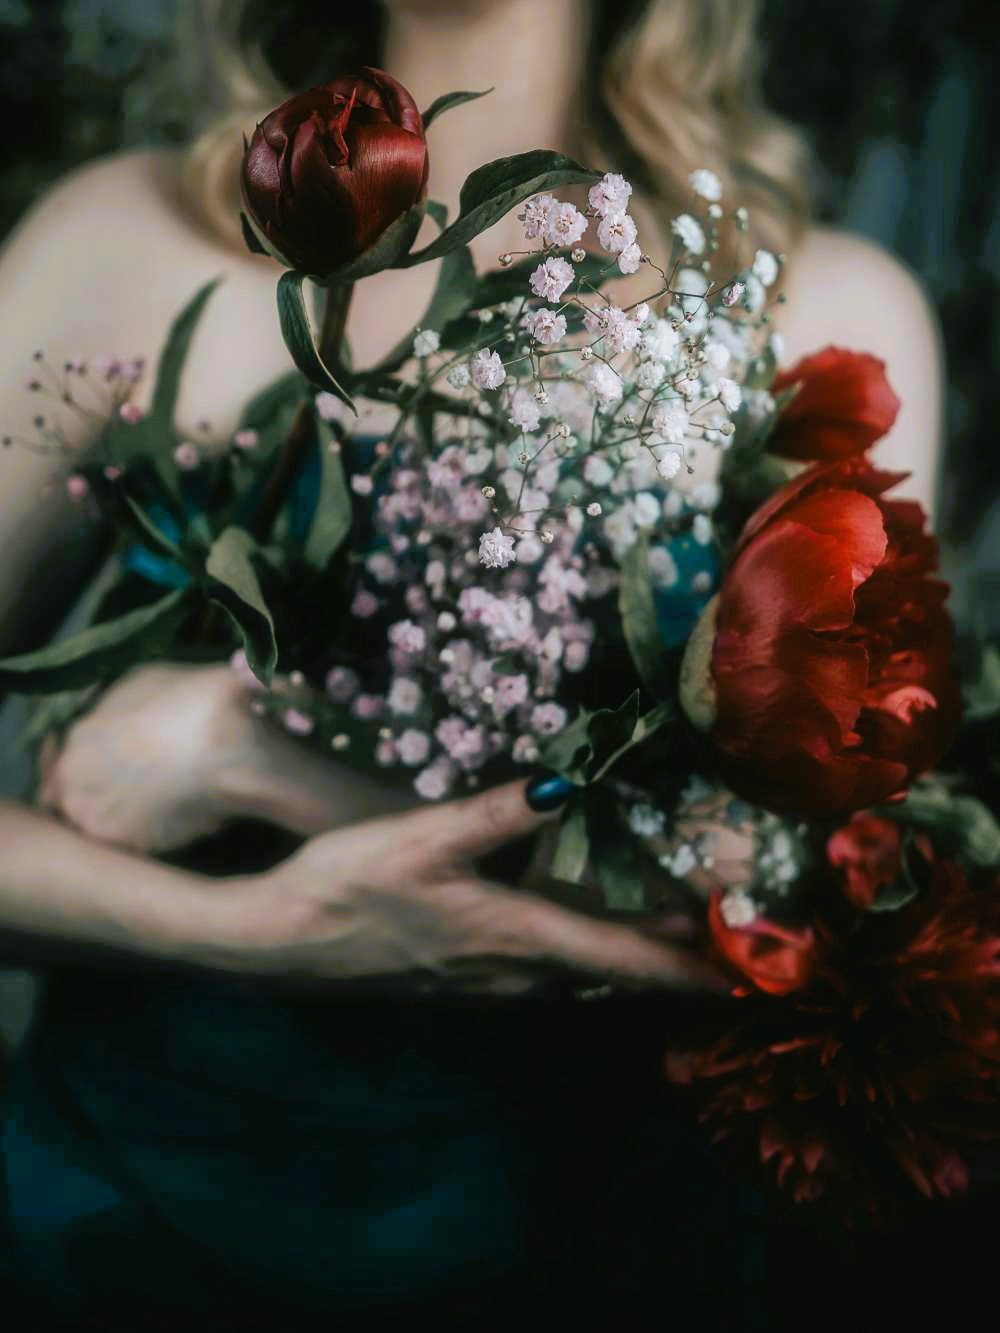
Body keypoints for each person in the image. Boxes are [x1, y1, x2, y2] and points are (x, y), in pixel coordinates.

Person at [0, 0, 944, 1328]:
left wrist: (246, 759)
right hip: (127, 1240)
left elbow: (813, 909)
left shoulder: (829, 312)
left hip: (612, 1253)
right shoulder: (125, 242)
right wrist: (243, 933)